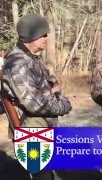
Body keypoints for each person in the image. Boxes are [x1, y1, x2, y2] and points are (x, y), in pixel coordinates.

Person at [1, 13, 72, 179]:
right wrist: (63, 105)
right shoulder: (18, 63)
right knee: (43, 175)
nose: (47, 38)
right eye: (43, 34)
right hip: (31, 130)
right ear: (33, 36)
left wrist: (53, 88)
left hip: (41, 126)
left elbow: (45, 87)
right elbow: (36, 103)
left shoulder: (31, 59)